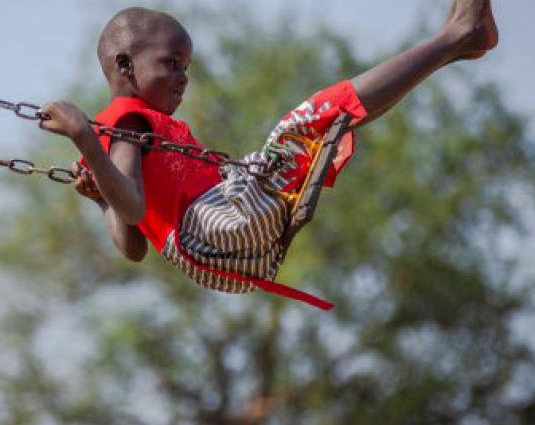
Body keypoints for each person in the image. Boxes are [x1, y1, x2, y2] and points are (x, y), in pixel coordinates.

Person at [38, 0, 498, 309]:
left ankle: (451, 47)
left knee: (327, 125)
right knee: (312, 118)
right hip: (216, 227)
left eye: (187, 67)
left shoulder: (123, 135)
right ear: (125, 66)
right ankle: (457, 36)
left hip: (223, 259)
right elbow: (134, 209)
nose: (183, 77)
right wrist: (81, 137)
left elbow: (133, 244)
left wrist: (101, 199)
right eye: (171, 63)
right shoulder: (125, 121)